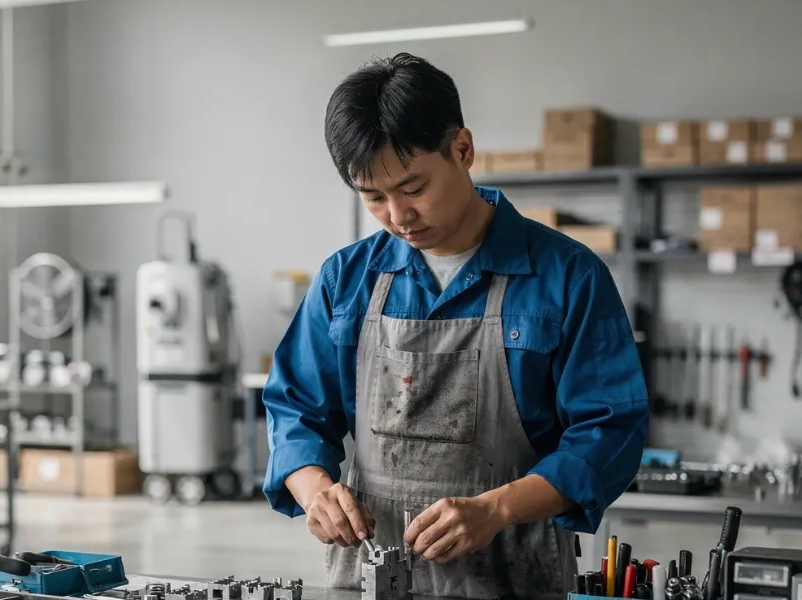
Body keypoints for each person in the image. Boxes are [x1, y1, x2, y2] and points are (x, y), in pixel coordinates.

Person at [261, 52, 649, 599]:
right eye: (373, 197)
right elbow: (295, 408)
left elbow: (609, 430)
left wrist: (494, 509)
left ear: (462, 149)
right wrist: (316, 490)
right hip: (369, 578)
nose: (398, 216)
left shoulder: (567, 277)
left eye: (413, 188)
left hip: (514, 575)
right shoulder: (344, 281)